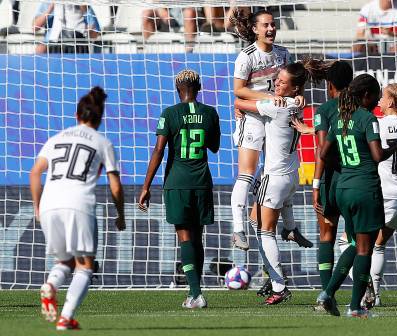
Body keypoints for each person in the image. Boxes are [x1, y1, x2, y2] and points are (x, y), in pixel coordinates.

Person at [234, 59, 329, 305]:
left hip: (274, 177)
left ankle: (278, 284)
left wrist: (255, 100)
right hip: (292, 175)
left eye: (282, 82)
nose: (276, 84)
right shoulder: (297, 104)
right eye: (277, 79)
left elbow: (238, 101)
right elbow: (294, 99)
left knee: (263, 230)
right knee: (259, 220)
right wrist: (296, 97)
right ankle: (289, 228)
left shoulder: (275, 106)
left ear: (294, 88)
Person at [30, 87, 125, 330]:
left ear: (76, 115)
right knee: (85, 265)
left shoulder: (56, 138)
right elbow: (115, 185)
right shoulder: (102, 142)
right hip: (78, 203)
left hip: (50, 204)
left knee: (65, 261)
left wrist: (38, 207)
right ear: (100, 118)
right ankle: (66, 317)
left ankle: (51, 285)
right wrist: (120, 214)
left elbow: (35, 172)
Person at [316, 74, 397, 318]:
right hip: (365, 188)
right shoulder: (368, 119)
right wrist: (392, 148)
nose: (376, 101)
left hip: (343, 189)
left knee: (355, 243)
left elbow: (323, 153)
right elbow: (376, 155)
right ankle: (354, 307)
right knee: (365, 249)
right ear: (366, 96)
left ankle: (328, 293)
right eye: (375, 95)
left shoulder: (341, 119)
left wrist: (343, 164)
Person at [229, 8, 312, 255]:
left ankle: (289, 227)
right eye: (265, 25)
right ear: (255, 29)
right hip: (254, 116)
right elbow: (238, 90)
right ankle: (238, 228)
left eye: (273, 24)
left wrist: (299, 98)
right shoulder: (247, 56)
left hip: (275, 118)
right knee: (247, 173)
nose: (271, 29)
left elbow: (294, 85)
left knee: (278, 171)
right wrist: (266, 99)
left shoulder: (283, 54)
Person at [138, 69, 220, 309]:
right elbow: (214, 146)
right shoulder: (210, 113)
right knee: (198, 237)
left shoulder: (170, 114)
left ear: (177, 90)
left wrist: (146, 186)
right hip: (202, 181)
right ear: (200, 87)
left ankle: (195, 294)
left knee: (184, 237)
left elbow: (159, 150)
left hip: (177, 181)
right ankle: (197, 289)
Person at [291, 61, 354, 305]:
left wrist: (315, 185)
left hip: (330, 180)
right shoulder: (359, 108)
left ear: (329, 85)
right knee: (355, 239)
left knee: (327, 235)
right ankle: (364, 287)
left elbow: (322, 150)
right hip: (354, 179)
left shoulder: (324, 110)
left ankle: (326, 293)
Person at [367, 83, 397, 307]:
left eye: (382, 97)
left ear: (391, 102)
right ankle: (375, 295)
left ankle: (364, 285)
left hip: (384, 193)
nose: (378, 100)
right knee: (379, 245)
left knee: (346, 242)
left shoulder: (379, 124)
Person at [33, 3, 100, 54]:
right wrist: (51, 8)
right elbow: (35, 27)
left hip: (76, 46)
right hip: (51, 45)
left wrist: (83, 9)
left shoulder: (83, 5)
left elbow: (94, 35)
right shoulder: (47, 3)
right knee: (40, 49)